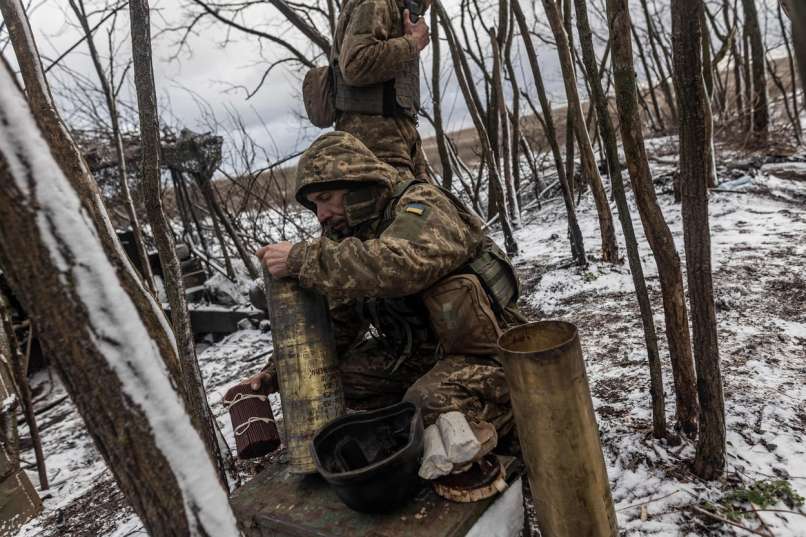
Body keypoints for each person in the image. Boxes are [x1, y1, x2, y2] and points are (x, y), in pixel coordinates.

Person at [248, 131, 524, 436]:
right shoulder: (347, 235)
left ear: (357, 180)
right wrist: (278, 371)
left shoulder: (421, 202)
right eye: (314, 206)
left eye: (325, 199)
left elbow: (402, 264)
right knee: (332, 378)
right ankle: (420, 423)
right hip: (415, 357)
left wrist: (303, 259)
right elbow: (338, 322)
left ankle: (512, 414)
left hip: (487, 353)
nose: (321, 215)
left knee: (426, 404)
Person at [331, 0, 431, 181]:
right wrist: (412, 43)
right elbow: (355, 64)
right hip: (376, 149)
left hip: (397, 143)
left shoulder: (401, 7)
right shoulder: (377, 2)